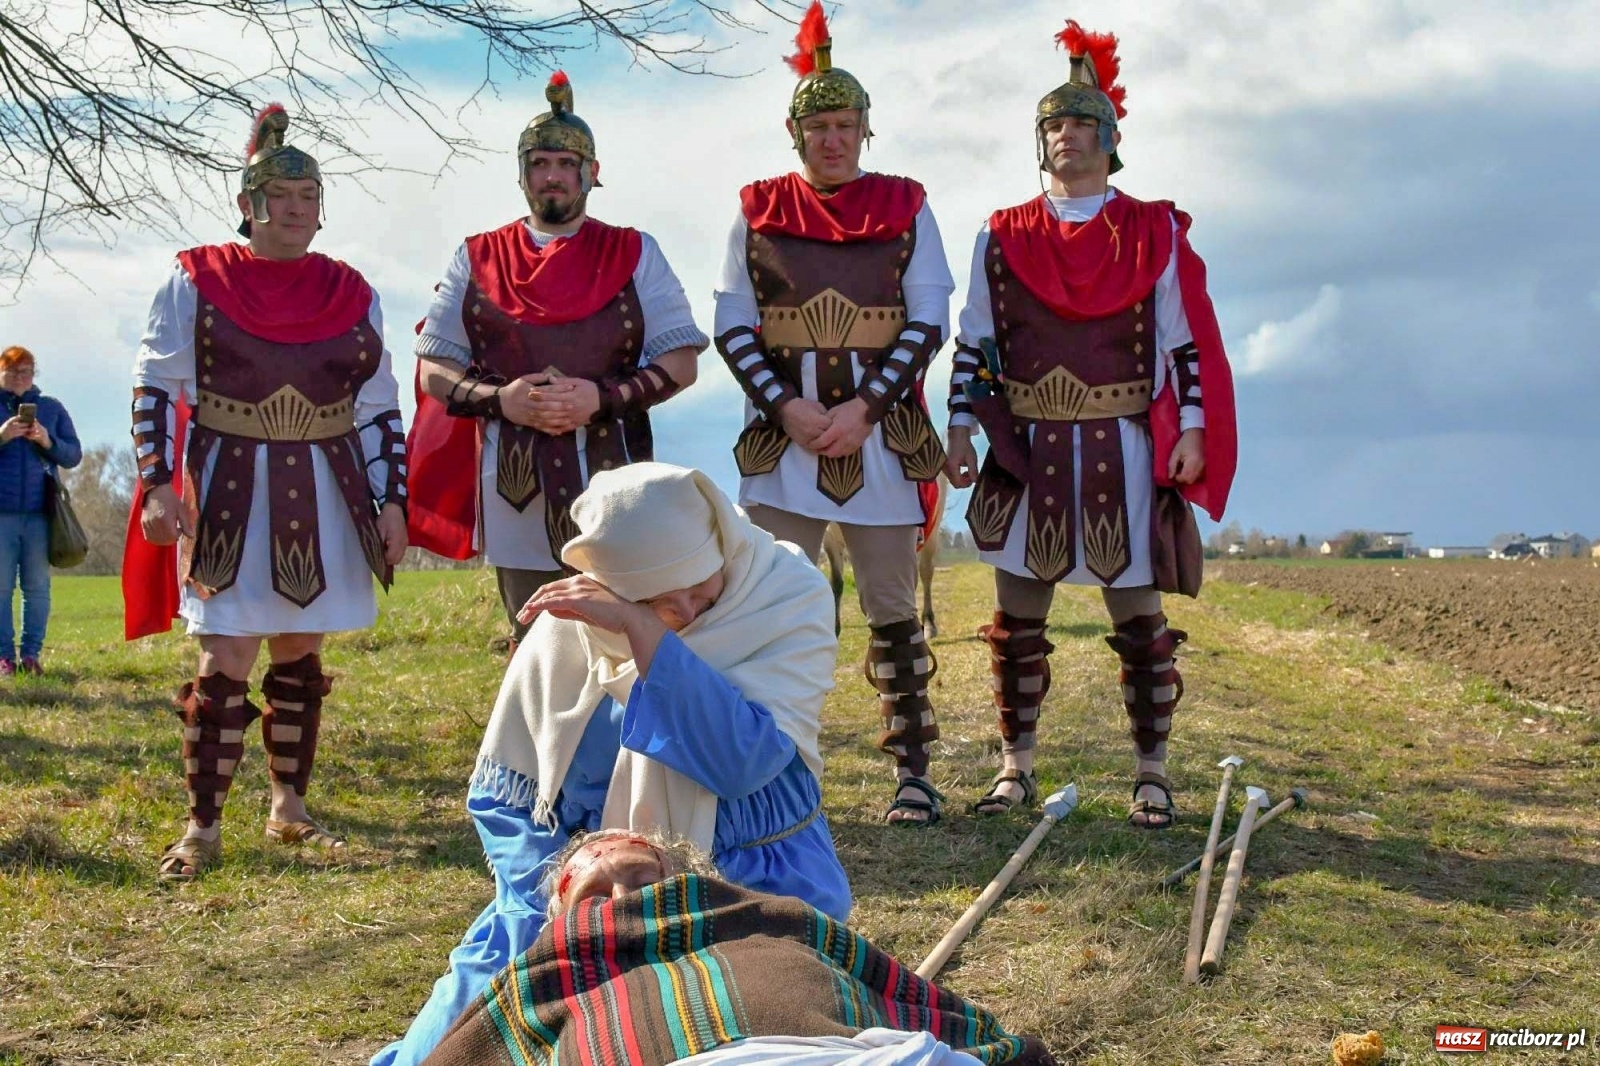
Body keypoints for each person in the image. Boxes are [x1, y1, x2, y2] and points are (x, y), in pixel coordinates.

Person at [375, 462, 850, 1066]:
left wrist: (644, 630)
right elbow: (506, 797)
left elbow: (742, 764)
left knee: (747, 1019)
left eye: (700, 581)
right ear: (604, 581)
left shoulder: (784, 595)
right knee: (473, 1018)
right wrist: (550, 897)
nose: (686, 606)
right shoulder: (568, 626)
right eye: (655, 596)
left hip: (745, 873)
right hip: (585, 887)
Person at [944, 22, 1237, 826]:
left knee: (1139, 616)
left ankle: (1151, 771)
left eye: (1079, 124)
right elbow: (975, 338)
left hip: (1124, 443)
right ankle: (1016, 768)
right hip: (1029, 442)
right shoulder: (1000, 233)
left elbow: (1181, 341)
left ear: (1111, 140)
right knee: (1017, 616)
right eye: (1052, 127)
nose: (1064, 136)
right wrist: (963, 425)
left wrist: (1195, 429)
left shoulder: (1152, 232)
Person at [124, 105, 409, 880]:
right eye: (281, 197)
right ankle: (203, 829)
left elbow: (380, 408)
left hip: (328, 481)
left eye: (309, 197)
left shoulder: (352, 290)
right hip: (230, 483)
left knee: (300, 651)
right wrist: (156, 487)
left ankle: (289, 811)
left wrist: (391, 503)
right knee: (224, 652)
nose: (296, 209)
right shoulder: (195, 278)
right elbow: (156, 386)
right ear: (249, 204)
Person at [713, 2, 954, 826]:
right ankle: (773, 774)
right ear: (795, 130)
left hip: (881, 439)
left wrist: (862, 409)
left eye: (846, 125)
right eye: (818, 126)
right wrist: (785, 407)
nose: (832, 139)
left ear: (864, 130)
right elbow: (731, 322)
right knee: (774, 606)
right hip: (784, 442)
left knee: (892, 609)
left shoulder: (906, 204)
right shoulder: (757, 207)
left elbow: (928, 318)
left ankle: (913, 772)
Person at [405, 71, 707, 651]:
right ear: (523, 174)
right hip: (515, 477)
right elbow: (434, 370)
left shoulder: (634, 251)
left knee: (624, 635)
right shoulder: (476, 256)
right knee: (534, 641)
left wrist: (601, 398)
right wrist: (503, 400)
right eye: (540, 162)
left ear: (592, 173)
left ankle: (625, 742)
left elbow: (683, 360)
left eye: (567, 164)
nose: (553, 176)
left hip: (615, 467)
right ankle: (536, 743)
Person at [419, 828, 1057, 1066]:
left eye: (643, 878)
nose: (621, 904)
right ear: (559, 920)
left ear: (690, 881)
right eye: (593, 894)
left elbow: (895, 991)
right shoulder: (542, 974)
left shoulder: (771, 918)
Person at [0, 345, 82, 677]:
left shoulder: (51, 409)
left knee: (36, 588)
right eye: (13, 371)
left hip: (40, 514)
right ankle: (4, 658)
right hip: (1, 515)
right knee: (1, 588)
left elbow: (73, 455)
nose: (21, 377)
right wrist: (2, 436)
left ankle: (31, 655)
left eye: (27, 371)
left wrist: (48, 442)